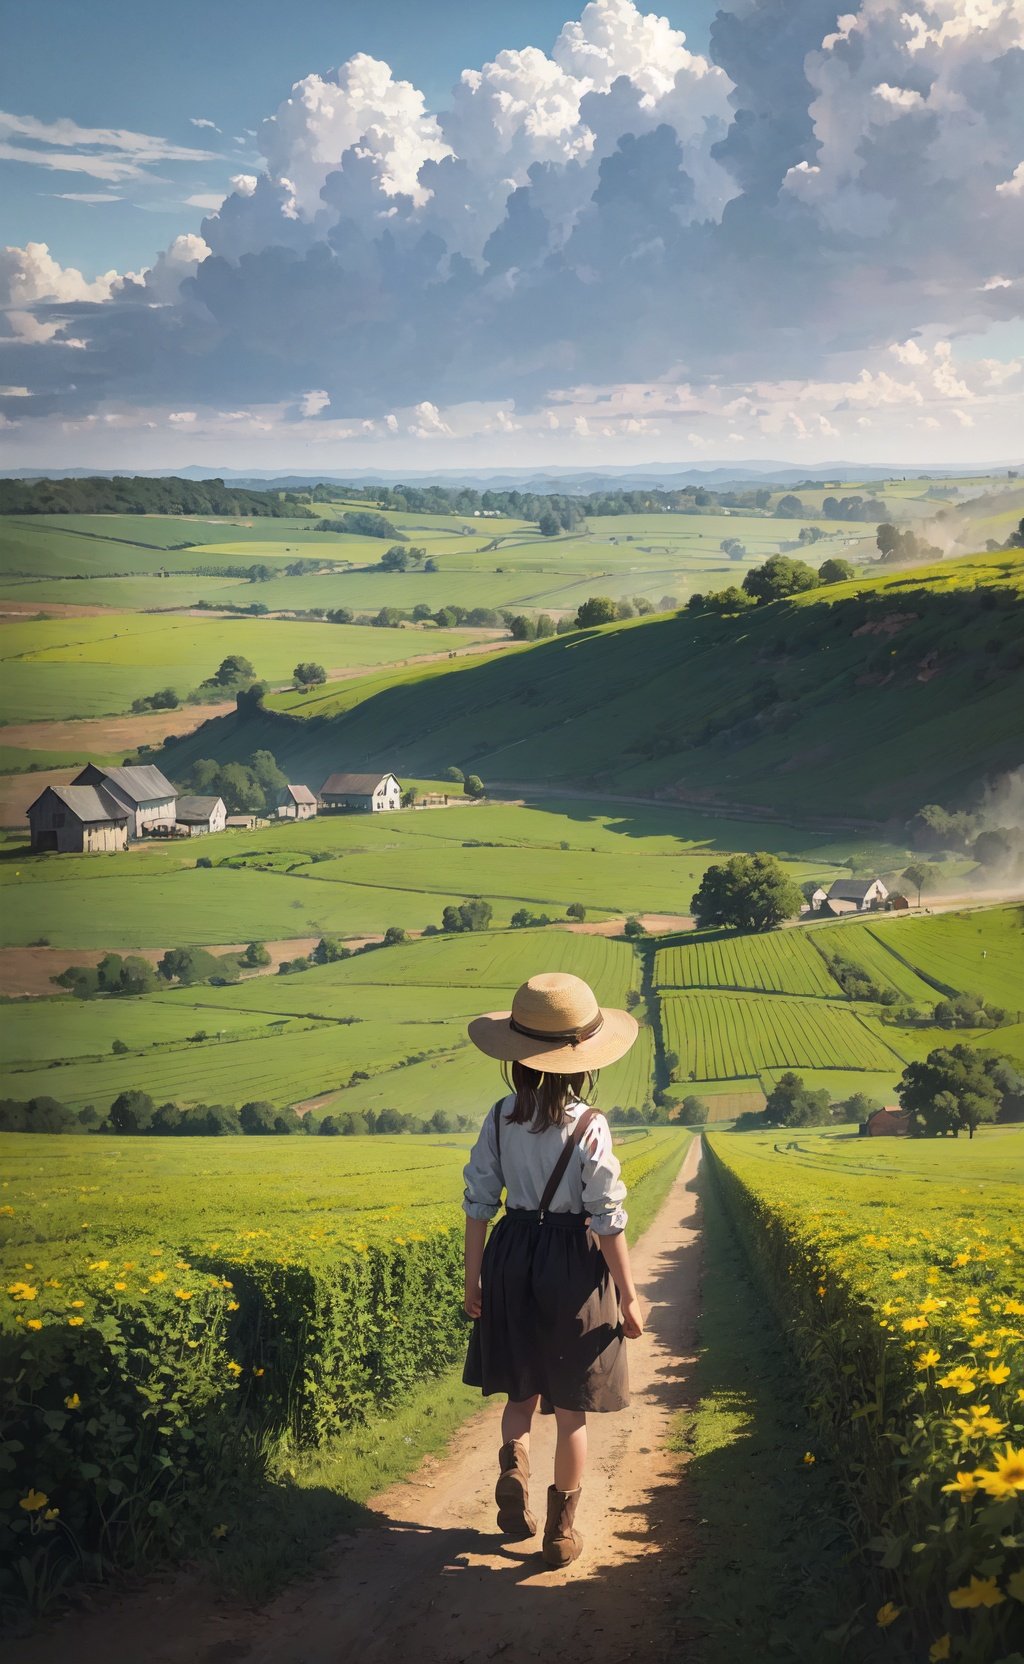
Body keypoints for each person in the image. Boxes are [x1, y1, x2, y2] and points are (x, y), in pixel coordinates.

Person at [461, 971, 644, 1568]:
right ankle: (562, 1531)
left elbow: (478, 1201)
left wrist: (474, 1278)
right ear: (581, 1064)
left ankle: (513, 1460)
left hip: (511, 1252)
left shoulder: (498, 1116)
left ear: (515, 1058)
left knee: (521, 1386)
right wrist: (629, 1293)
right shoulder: (589, 1125)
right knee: (571, 1409)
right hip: (570, 1261)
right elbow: (607, 1217)